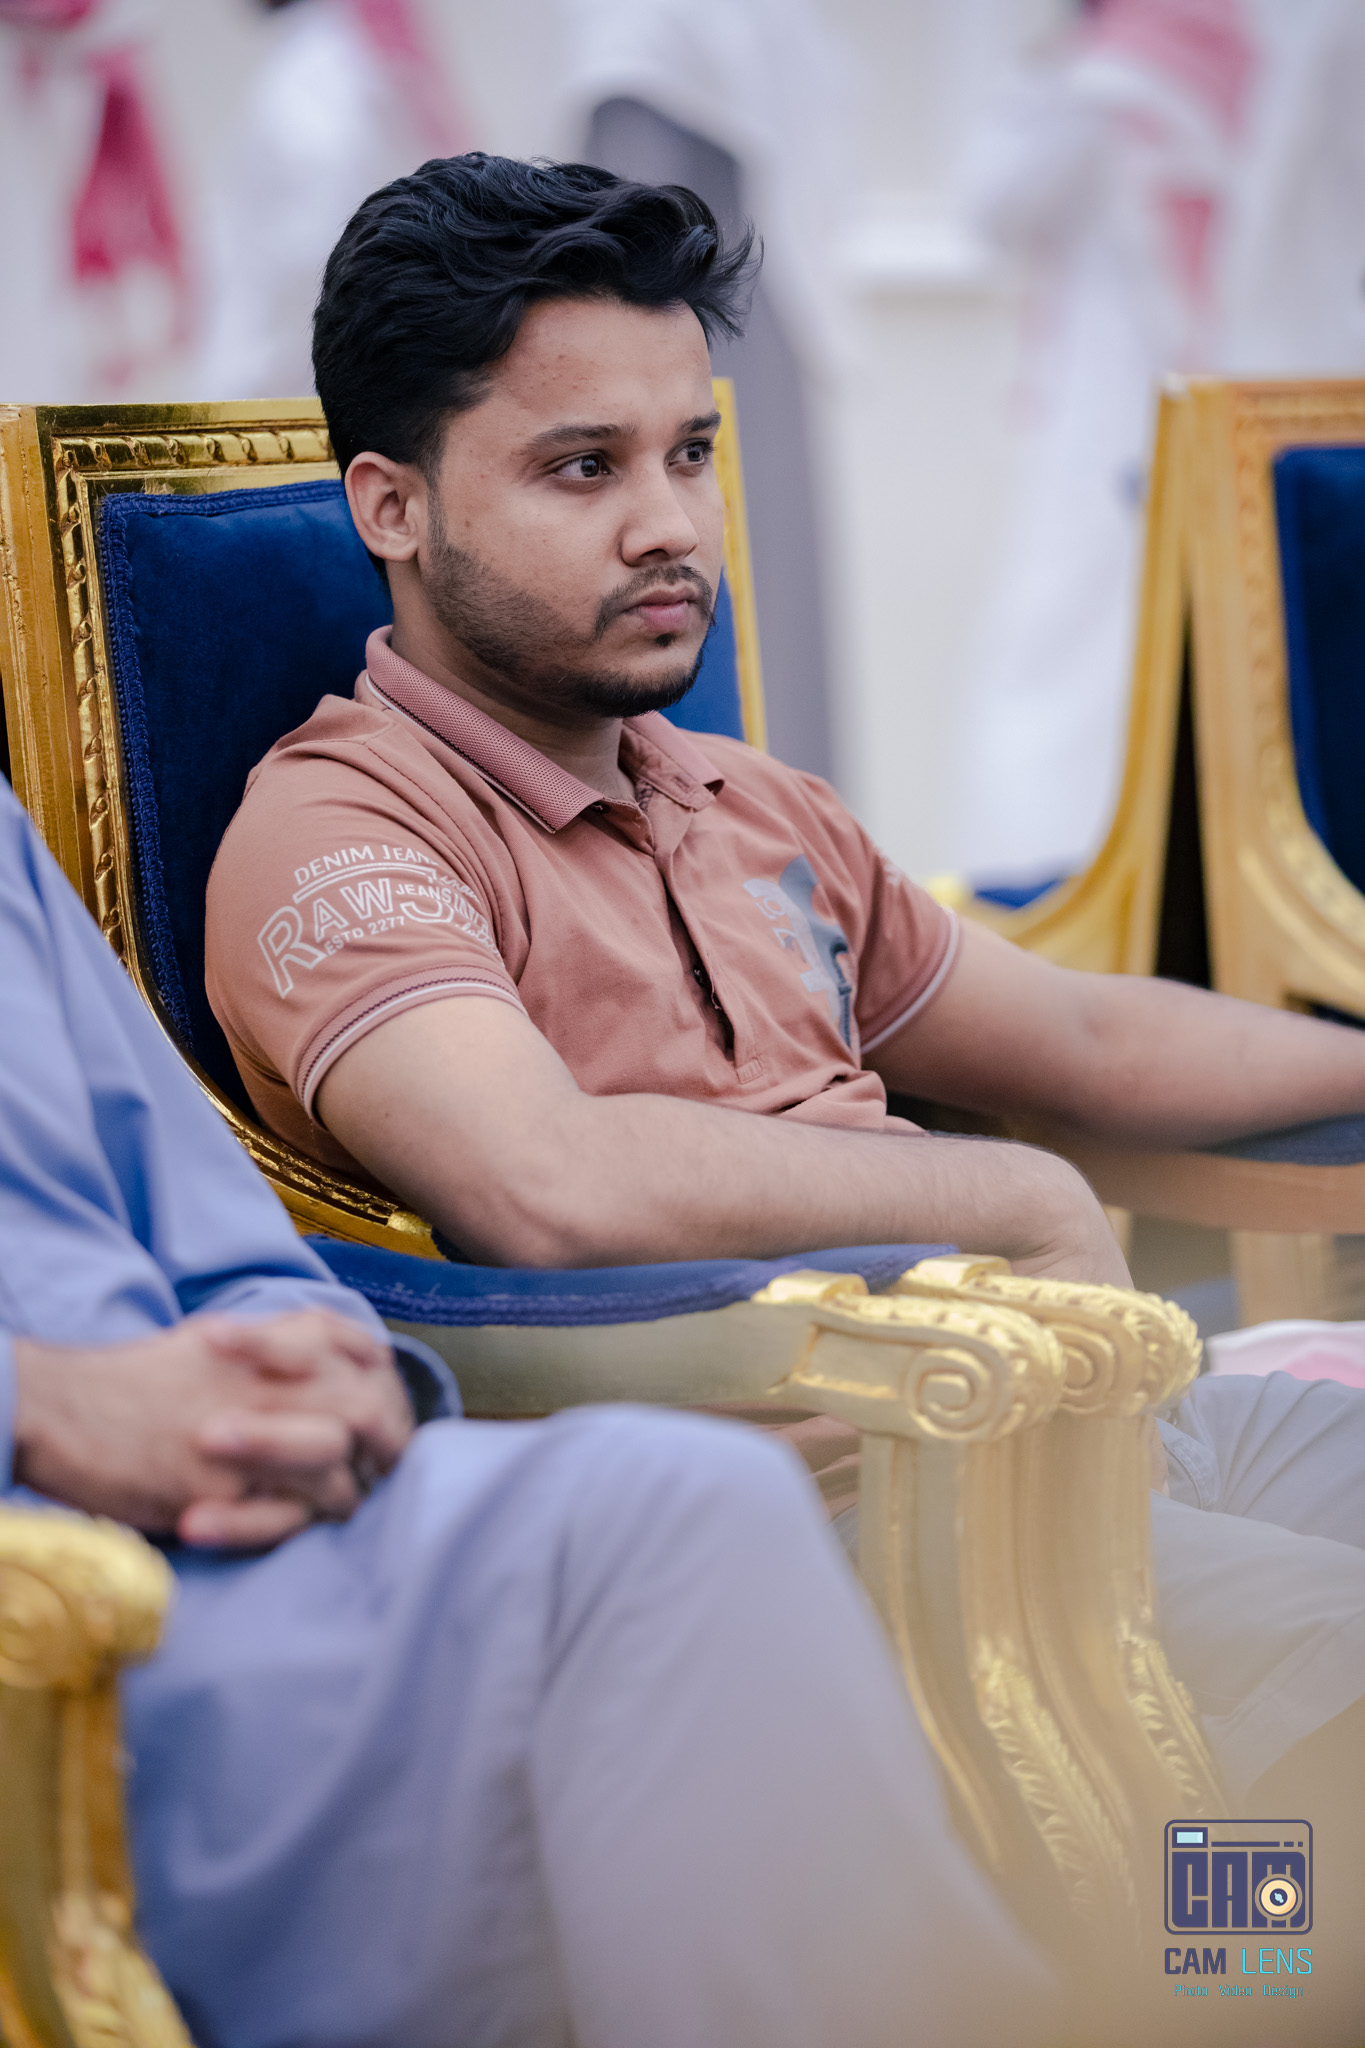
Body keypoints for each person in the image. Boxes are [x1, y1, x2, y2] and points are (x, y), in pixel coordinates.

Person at [0, 773, 1053, 2045]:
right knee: (678, 1513)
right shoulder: (344, 823)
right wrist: (40, 1400)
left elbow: (226, 1242)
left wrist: (322, 1364)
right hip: (81, 1595)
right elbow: (547, 1187)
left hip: (262, 1499)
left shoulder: (763, 799)